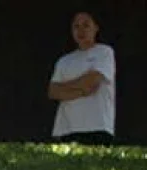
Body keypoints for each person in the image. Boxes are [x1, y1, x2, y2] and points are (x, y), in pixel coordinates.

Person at [49, 11, 116, 144]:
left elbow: (92, 80)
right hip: (67, 129)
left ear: (95, 28)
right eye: (76, 26)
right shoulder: (64, 61)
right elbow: (53, 91)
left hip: (98, 127)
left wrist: (65, 87)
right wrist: (81, 92)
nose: (81, 30)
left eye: (86, 25)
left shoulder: (104, 52)